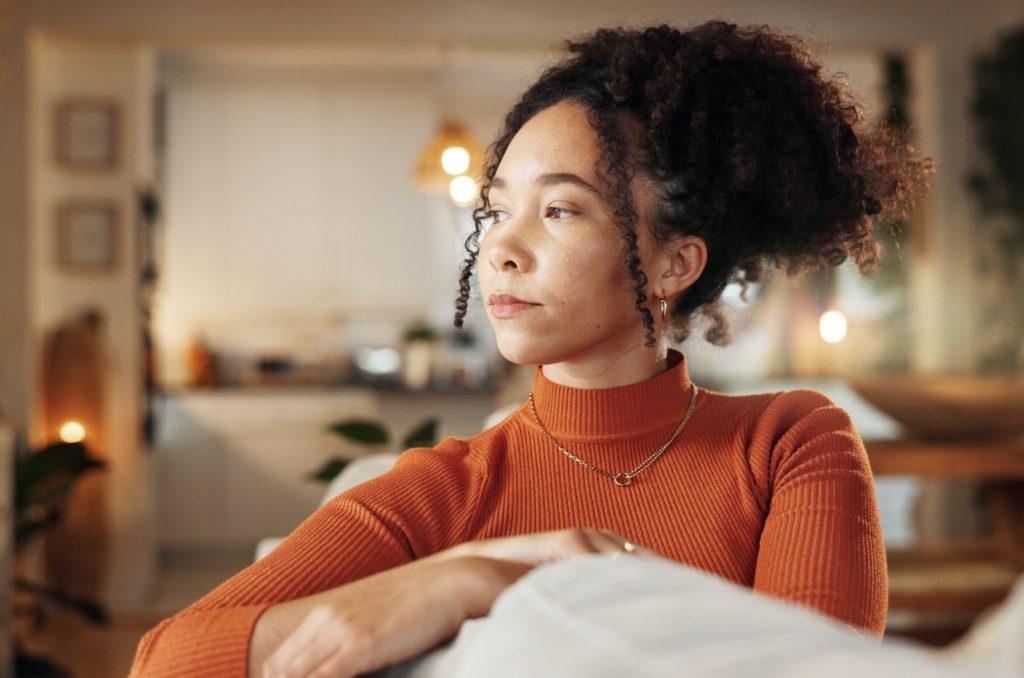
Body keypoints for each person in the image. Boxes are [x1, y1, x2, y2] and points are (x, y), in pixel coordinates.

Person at [131, 20, 931, 678]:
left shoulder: (791, 442)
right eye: (498, 211)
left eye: (559, 212)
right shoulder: (441, 490)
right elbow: (162, 661)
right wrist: (461, 579)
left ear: (672, 263)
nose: (501, 251)